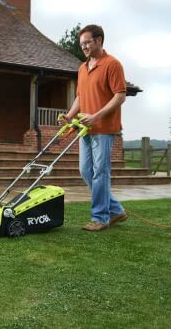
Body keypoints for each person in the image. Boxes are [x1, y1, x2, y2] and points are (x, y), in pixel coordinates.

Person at [59, 24, 128, 231]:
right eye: (82, 44)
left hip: (104, 128)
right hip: (84, 128)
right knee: (85, 171)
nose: (85, 47)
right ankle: (116, 210)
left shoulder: (112, 64)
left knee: (100, 173)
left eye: (88, 42)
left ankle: (100, 218)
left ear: (99, 41)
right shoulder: (82, 68)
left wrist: (96, 116)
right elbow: (80, 96)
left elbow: (120, 95)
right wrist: (69, 116)